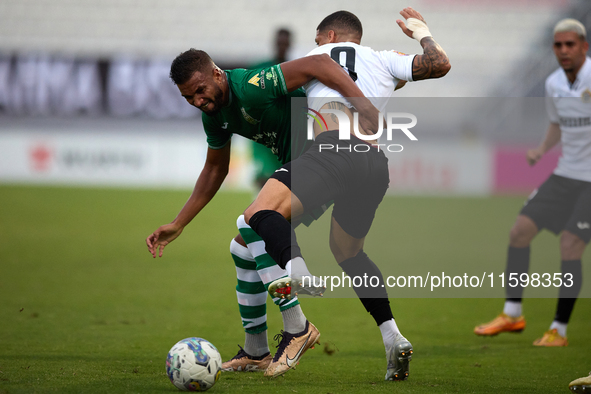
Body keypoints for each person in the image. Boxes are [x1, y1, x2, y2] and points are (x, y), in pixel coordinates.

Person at [242, 8, 450, 379]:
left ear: (331, 35)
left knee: (256, 214)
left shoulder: (313, 59)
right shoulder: (386, 60)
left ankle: (298, 275)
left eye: (319, 37)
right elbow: (439, 64)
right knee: (348, 252)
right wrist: (422, 33)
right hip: (373, 165)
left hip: (333, 152)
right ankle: (392, 336)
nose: (316, 43)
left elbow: (264, 91)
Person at [145, 48, 379, 374]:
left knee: (251, 222)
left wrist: (366, 109)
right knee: (241, 247)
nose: (197, 100)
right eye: (188, 97)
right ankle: (256, 350)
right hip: (300, 169)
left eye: (200, 90)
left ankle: (298, 326)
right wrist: (178, 223)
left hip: (329, 161)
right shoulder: (213, 114)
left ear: (216, 73)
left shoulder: (254, 84)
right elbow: (215, 169)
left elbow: (320, 64)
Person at [474, 18, 590, 346]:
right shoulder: (554, 83)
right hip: (565, 173)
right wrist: (541, 149)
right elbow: (558, 124)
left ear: (584, 46)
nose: (564, 50)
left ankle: (559, 330)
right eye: (558, 45)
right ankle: (512, 314)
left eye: (570, 44)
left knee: (570, 243)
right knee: (519, 231)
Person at [249, 28, 293, 190]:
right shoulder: (260, 70)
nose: (282, 46)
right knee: (263, 179)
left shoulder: (295, 70)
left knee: (284, 184)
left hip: (286, 137)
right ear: (275, 43)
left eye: (285, 43)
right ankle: (258, 213)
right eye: (280, 42)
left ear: (289, 44)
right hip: (263, 136)